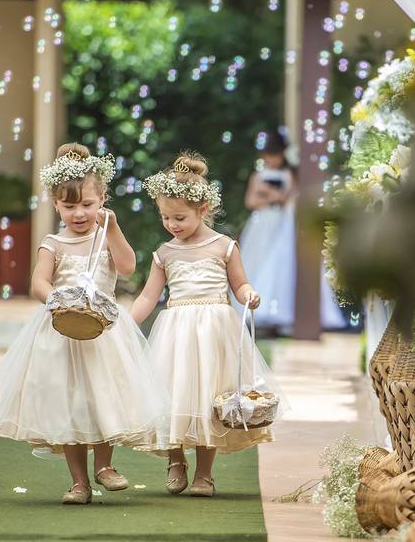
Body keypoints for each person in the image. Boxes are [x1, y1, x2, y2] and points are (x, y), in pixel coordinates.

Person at [0, 143, 165, 505]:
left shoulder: (104, 236)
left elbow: (126, 267)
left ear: (102, 200)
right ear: (55, 204)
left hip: (103, 331)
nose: (79, 213)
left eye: (88, 205)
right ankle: (79, 481)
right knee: (71, 404)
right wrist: (57, 300)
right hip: (62, 331)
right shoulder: (53, 243)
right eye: (70, 205)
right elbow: (38, 284)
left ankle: (105, 466)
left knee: (104, 397)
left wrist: (114, 230)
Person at [131, 151, 284, 498]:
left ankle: (204, 473)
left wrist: (249, 295)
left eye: (180, 217)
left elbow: (239, 284)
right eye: (166, 217)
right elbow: (146, 298)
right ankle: (175, 459)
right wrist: (125, 325)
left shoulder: (224, 247)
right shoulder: (164, 253)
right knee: (172, 396)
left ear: (202, 210)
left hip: (215, 332)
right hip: (176, 335)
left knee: (210, 401)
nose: (172, 225)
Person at [236, 130, 348, 332]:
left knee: (279, 263)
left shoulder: (289, 175)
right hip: (262, 224)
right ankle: (250, 307)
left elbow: (291, 198)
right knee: (255, 260)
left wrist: (273, 196)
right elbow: (251, 201)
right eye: (268, 154)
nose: (272, 159)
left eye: (275, 154)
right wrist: (273, 197)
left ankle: (276, 310)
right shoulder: (258, 176)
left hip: (281, 223)